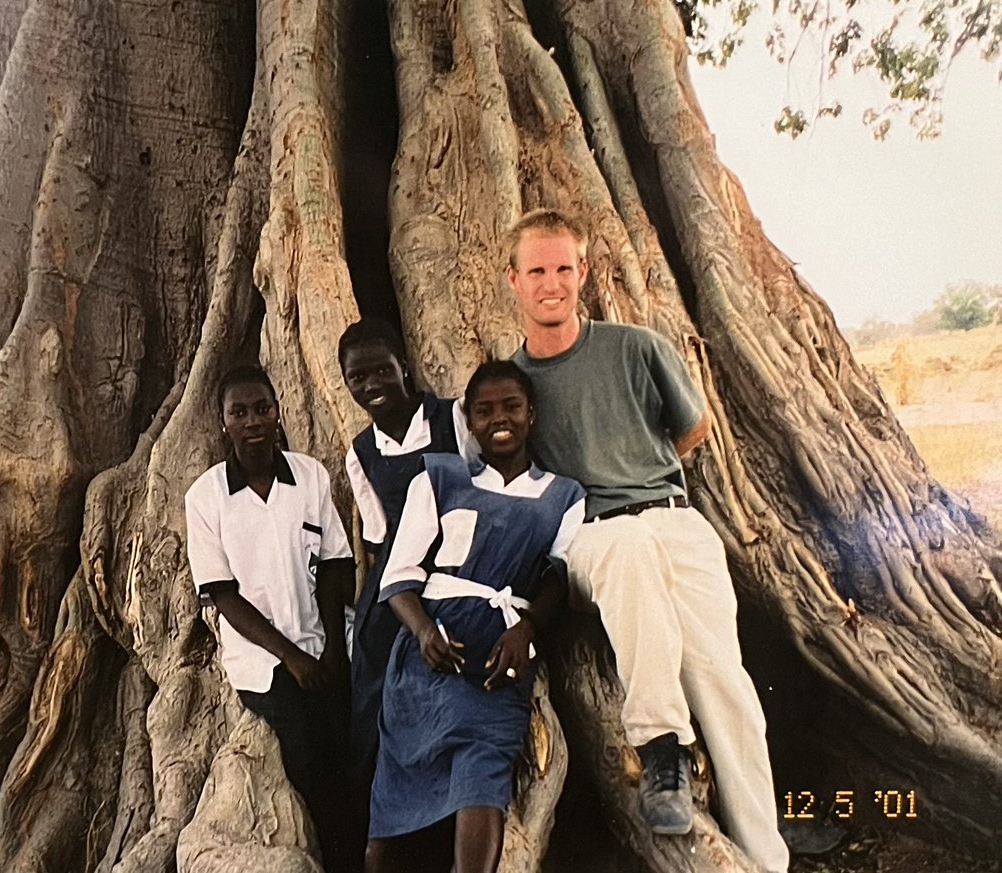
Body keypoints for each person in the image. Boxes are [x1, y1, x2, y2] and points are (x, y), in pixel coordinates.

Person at [506, 208, 789, 873]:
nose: (552, 283)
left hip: (672, 519)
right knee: (627, 545)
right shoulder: (512, 384)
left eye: (564, 268)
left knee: (725, 683)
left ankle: (767, 857)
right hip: (591, 537)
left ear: (584, 273)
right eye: (537, 270)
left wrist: (642, 474)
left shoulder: (636, 347)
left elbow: (692, 427)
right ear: (513, 279)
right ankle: (661, 749)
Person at [365, 360, 585, 873]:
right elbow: (398, 577)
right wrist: (424, 632)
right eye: (484, 411)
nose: (499, 419)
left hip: (498, 662)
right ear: (469, 422)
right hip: (429, 660)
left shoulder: (563, 495)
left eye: (511, 406)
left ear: (531, 413)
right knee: (393, 799)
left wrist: (526, 631)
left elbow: (558, 576)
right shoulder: (440, 477)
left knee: (483, 771)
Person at [184, 365, 355, 871]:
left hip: (323, 642)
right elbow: (223, 595)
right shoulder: (206, 498)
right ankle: (340, 857)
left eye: (262, 408)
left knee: (355, 735)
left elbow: (335, 563)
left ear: (278, 412)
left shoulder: (309, 476)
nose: (252, 421)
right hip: (264, 661)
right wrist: (293, 659)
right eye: (239, 412)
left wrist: (331, 648)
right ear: (223, 422)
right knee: (307, 749)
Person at [338, 318, 473, 789]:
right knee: (375, 673)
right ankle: (371, 792)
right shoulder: (361, 452)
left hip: (456, 559)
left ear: (404, 367)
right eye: (358, 377)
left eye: (382, 370)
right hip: (398, 573)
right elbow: (378, 536)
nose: (372, 385)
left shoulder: (452, 419)